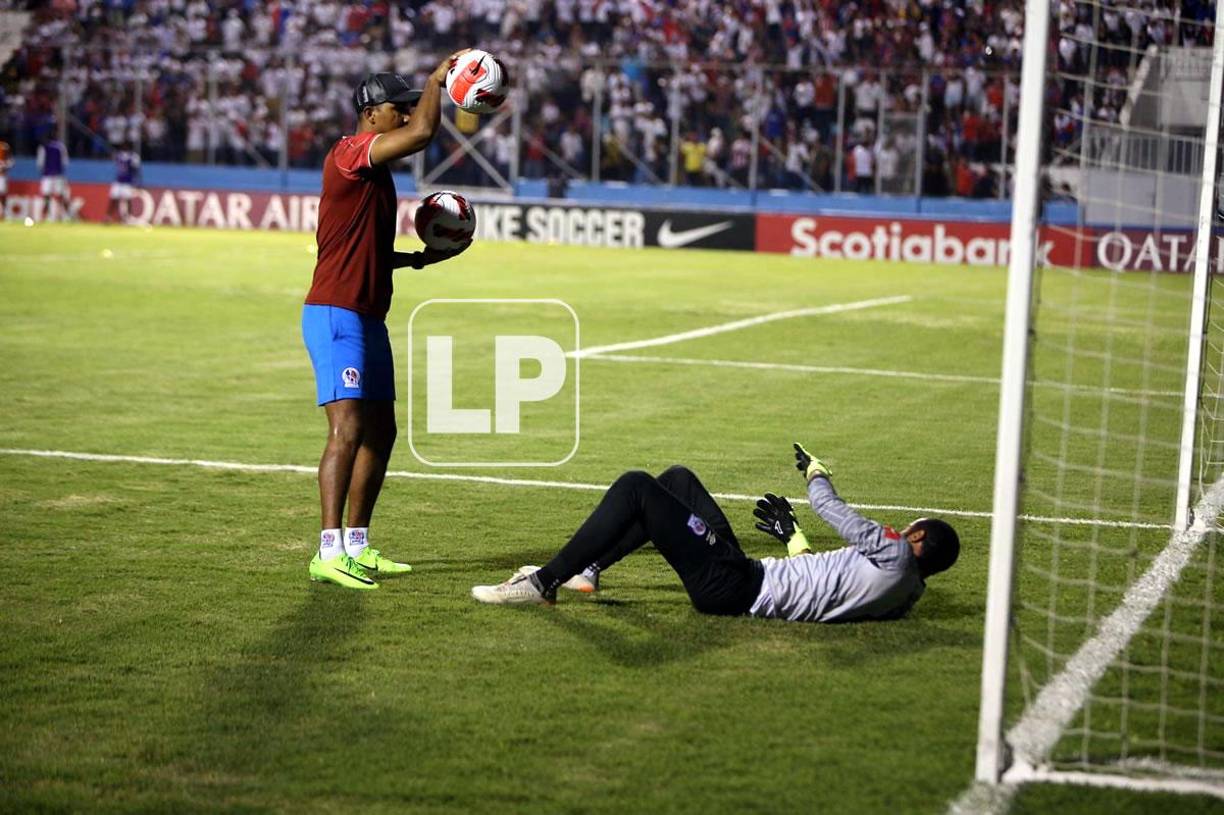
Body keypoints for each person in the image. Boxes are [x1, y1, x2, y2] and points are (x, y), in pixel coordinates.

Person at [302, 57, 469, 591]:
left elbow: (367, 251)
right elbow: (422, 133)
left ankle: (357, 545)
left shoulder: (375, 172)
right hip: (336, 314)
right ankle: (327, 551)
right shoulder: (350, 154)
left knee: (382, 431)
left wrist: (418, 259)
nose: (406, 116)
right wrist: (437, 82)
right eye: (399, 108)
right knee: (347, 429)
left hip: (369, 317)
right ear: (371, 113)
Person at [472, 444, 960, 623]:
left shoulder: (896, 554)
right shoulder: (905, 593)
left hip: (736, 585)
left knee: (636, 486)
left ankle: (542, 583)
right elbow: (828, 586)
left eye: (909, 530)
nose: (900, 532)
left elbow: (831, 508)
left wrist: (816, 472)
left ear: (917, 541)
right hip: (749, 577)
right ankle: (590, 570)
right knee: (678, 480)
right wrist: (794, 539)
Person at [36, 133, 71, 222]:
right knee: (60, 196)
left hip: (47, 175)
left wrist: (44, 171)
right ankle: (66, 216)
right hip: (58, 175)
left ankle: (45, 216)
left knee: (46, 196)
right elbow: (65, 161)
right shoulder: (61, 147)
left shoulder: (43, 147)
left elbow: (40, 163)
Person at [106, 142, 141, 224]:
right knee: (113, 199)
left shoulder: (133, 157)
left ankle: (128, 217)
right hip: (118, 181)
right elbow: (115, 162)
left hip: (127, 182)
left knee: (128, 200)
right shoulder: (118, 155)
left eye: (126, 146)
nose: (124, 147)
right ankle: (108, 217)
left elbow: (136, 170)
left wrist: (136, 181)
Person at [0, 139, 11, 219]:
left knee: (3, 194)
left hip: (2, 177)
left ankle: (4, 212)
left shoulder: (5, 146)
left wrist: (5, 166)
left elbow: (10, 162)